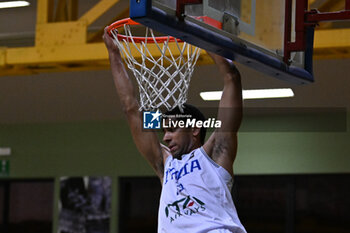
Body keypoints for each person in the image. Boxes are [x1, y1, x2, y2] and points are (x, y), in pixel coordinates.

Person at [103, 27, 246, 233]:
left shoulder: (214, 154)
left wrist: (202, 34)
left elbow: (231, 77)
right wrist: (114, 54)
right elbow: (130, 108)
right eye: (164, 131)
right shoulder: (165, 164)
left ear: (195, 129)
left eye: (172, 129)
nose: (166, 137)